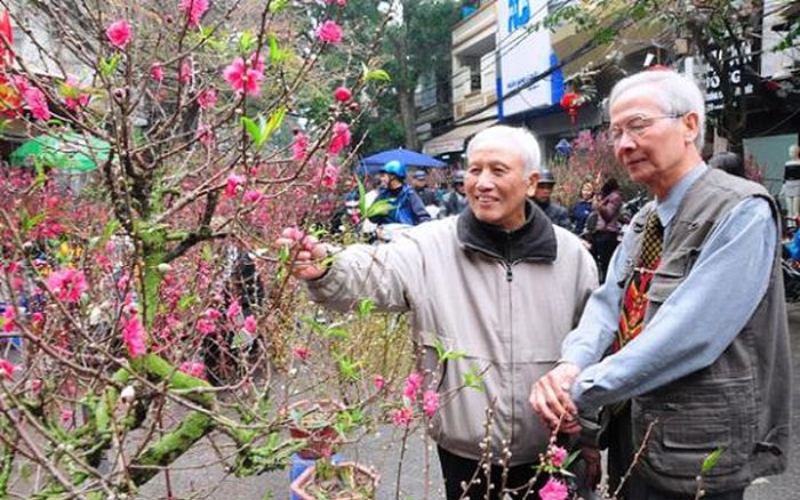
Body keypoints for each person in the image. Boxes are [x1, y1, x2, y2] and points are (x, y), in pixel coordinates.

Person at [277, 125, 598, 500]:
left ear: (530, 182)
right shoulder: (429, 246)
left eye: (498, 170)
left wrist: (589, 435)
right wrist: (328, 267)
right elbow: (375, 270)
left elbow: (591, 348)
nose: (482, 183)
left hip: (552, 453)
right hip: (465, 455)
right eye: (474, 170)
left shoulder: (573, 257)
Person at [530, 69, 790, 500]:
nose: (624, 144)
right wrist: (569, 365)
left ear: (690, 125)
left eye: (638, 125)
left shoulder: (741, 211)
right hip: (634, 429)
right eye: (615, 132)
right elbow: (606, 304)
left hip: (698, 445)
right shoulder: (644, 220)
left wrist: (579, 391)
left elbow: (690, 334)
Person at [368, 160, 431, 227]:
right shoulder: (383, 195)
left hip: (407, 233)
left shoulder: (409, 194)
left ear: (392, 176)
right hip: (387, 234)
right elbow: (372, 218)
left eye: (384, 176)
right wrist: (379, 212)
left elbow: (423, 216)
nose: (382, 179)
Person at [589, 177, 623, 283]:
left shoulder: (615, 197)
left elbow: (608, 215)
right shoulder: (606, 196)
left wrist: (599, 205)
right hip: (599, 233)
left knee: (606, 264)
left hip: (607, 234)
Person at [782, 144, 800, 219]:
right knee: (789, 209)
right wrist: (783, 188)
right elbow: (785, 176)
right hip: (788, 185)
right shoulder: (787, 163)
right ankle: (790, 225)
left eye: (793, 152)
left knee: (796, 209)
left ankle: (797, 226)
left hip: (798, 184)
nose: (791, 154)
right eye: (790, 152)